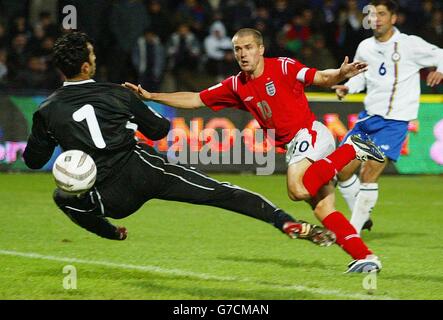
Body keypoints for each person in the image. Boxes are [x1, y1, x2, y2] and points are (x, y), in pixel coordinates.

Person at [22, 32, 337, 255]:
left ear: (61, 68)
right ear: (88, 66)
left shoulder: (47, 111)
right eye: (92, 55)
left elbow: (34, 160)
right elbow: (159, 130)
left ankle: (112, 232)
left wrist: (54, 139)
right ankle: (285, 223)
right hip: (146, 173)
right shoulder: (115, 94)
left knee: (63, 196)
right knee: (223, 193)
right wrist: (133, 113)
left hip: (108, 199)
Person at [124, 28, 385, 273]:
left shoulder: (283, 66)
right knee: (322, 209)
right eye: (237, 49)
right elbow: (196, 99)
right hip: (296, 145)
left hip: (310, 134)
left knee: (297, 188)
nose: (242, 54)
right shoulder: (237, 85)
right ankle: (364, 257)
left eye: (248, 48)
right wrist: (152, 97)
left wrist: (341, 74)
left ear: (261, 49)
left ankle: (352, 148)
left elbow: (320, 77)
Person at [332, 0, 443, 234]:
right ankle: (362, 217)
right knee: (341, 171)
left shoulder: (409, 45)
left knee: (369, 171)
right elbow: (361, 76)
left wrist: (439, 70)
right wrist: (348, 87)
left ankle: (352, 230)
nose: (376, 18)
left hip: (394, 122)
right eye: (372, 14)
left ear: (393, 18)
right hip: (368, 118)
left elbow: (441, 54)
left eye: (382, 14)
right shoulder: (365, 47)